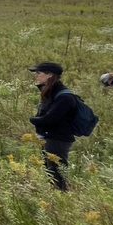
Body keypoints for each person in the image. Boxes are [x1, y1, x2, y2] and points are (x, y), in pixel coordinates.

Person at [28, 62, 77, 191]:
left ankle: (63, 198)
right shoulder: (53, 92)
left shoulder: (64, 97)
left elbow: (50, 119)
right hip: (50, 137)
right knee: (51, 170)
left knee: (57, 172)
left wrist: (33, 120)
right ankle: (57, 195)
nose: (36, 76)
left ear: (50, 75)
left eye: (39, 73)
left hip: (58, 139)